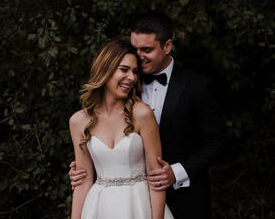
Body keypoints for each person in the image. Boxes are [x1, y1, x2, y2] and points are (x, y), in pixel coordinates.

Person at [69, 12, 225, 218]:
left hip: (184, 196)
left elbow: (218, 143)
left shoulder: (197, 87)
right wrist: (87, 167)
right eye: (135, 49)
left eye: (147, 50)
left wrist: (176, 172)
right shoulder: (124, 82)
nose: (139, 57)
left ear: (167, 46)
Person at [69, 38, 174, 219]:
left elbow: (156, 180)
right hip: (99, 208)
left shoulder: (142, 114)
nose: (132, 78)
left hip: (140, 207)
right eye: (124, 70)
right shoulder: (78, 121)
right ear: (105, 69)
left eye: (135, 72)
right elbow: (82, 182)